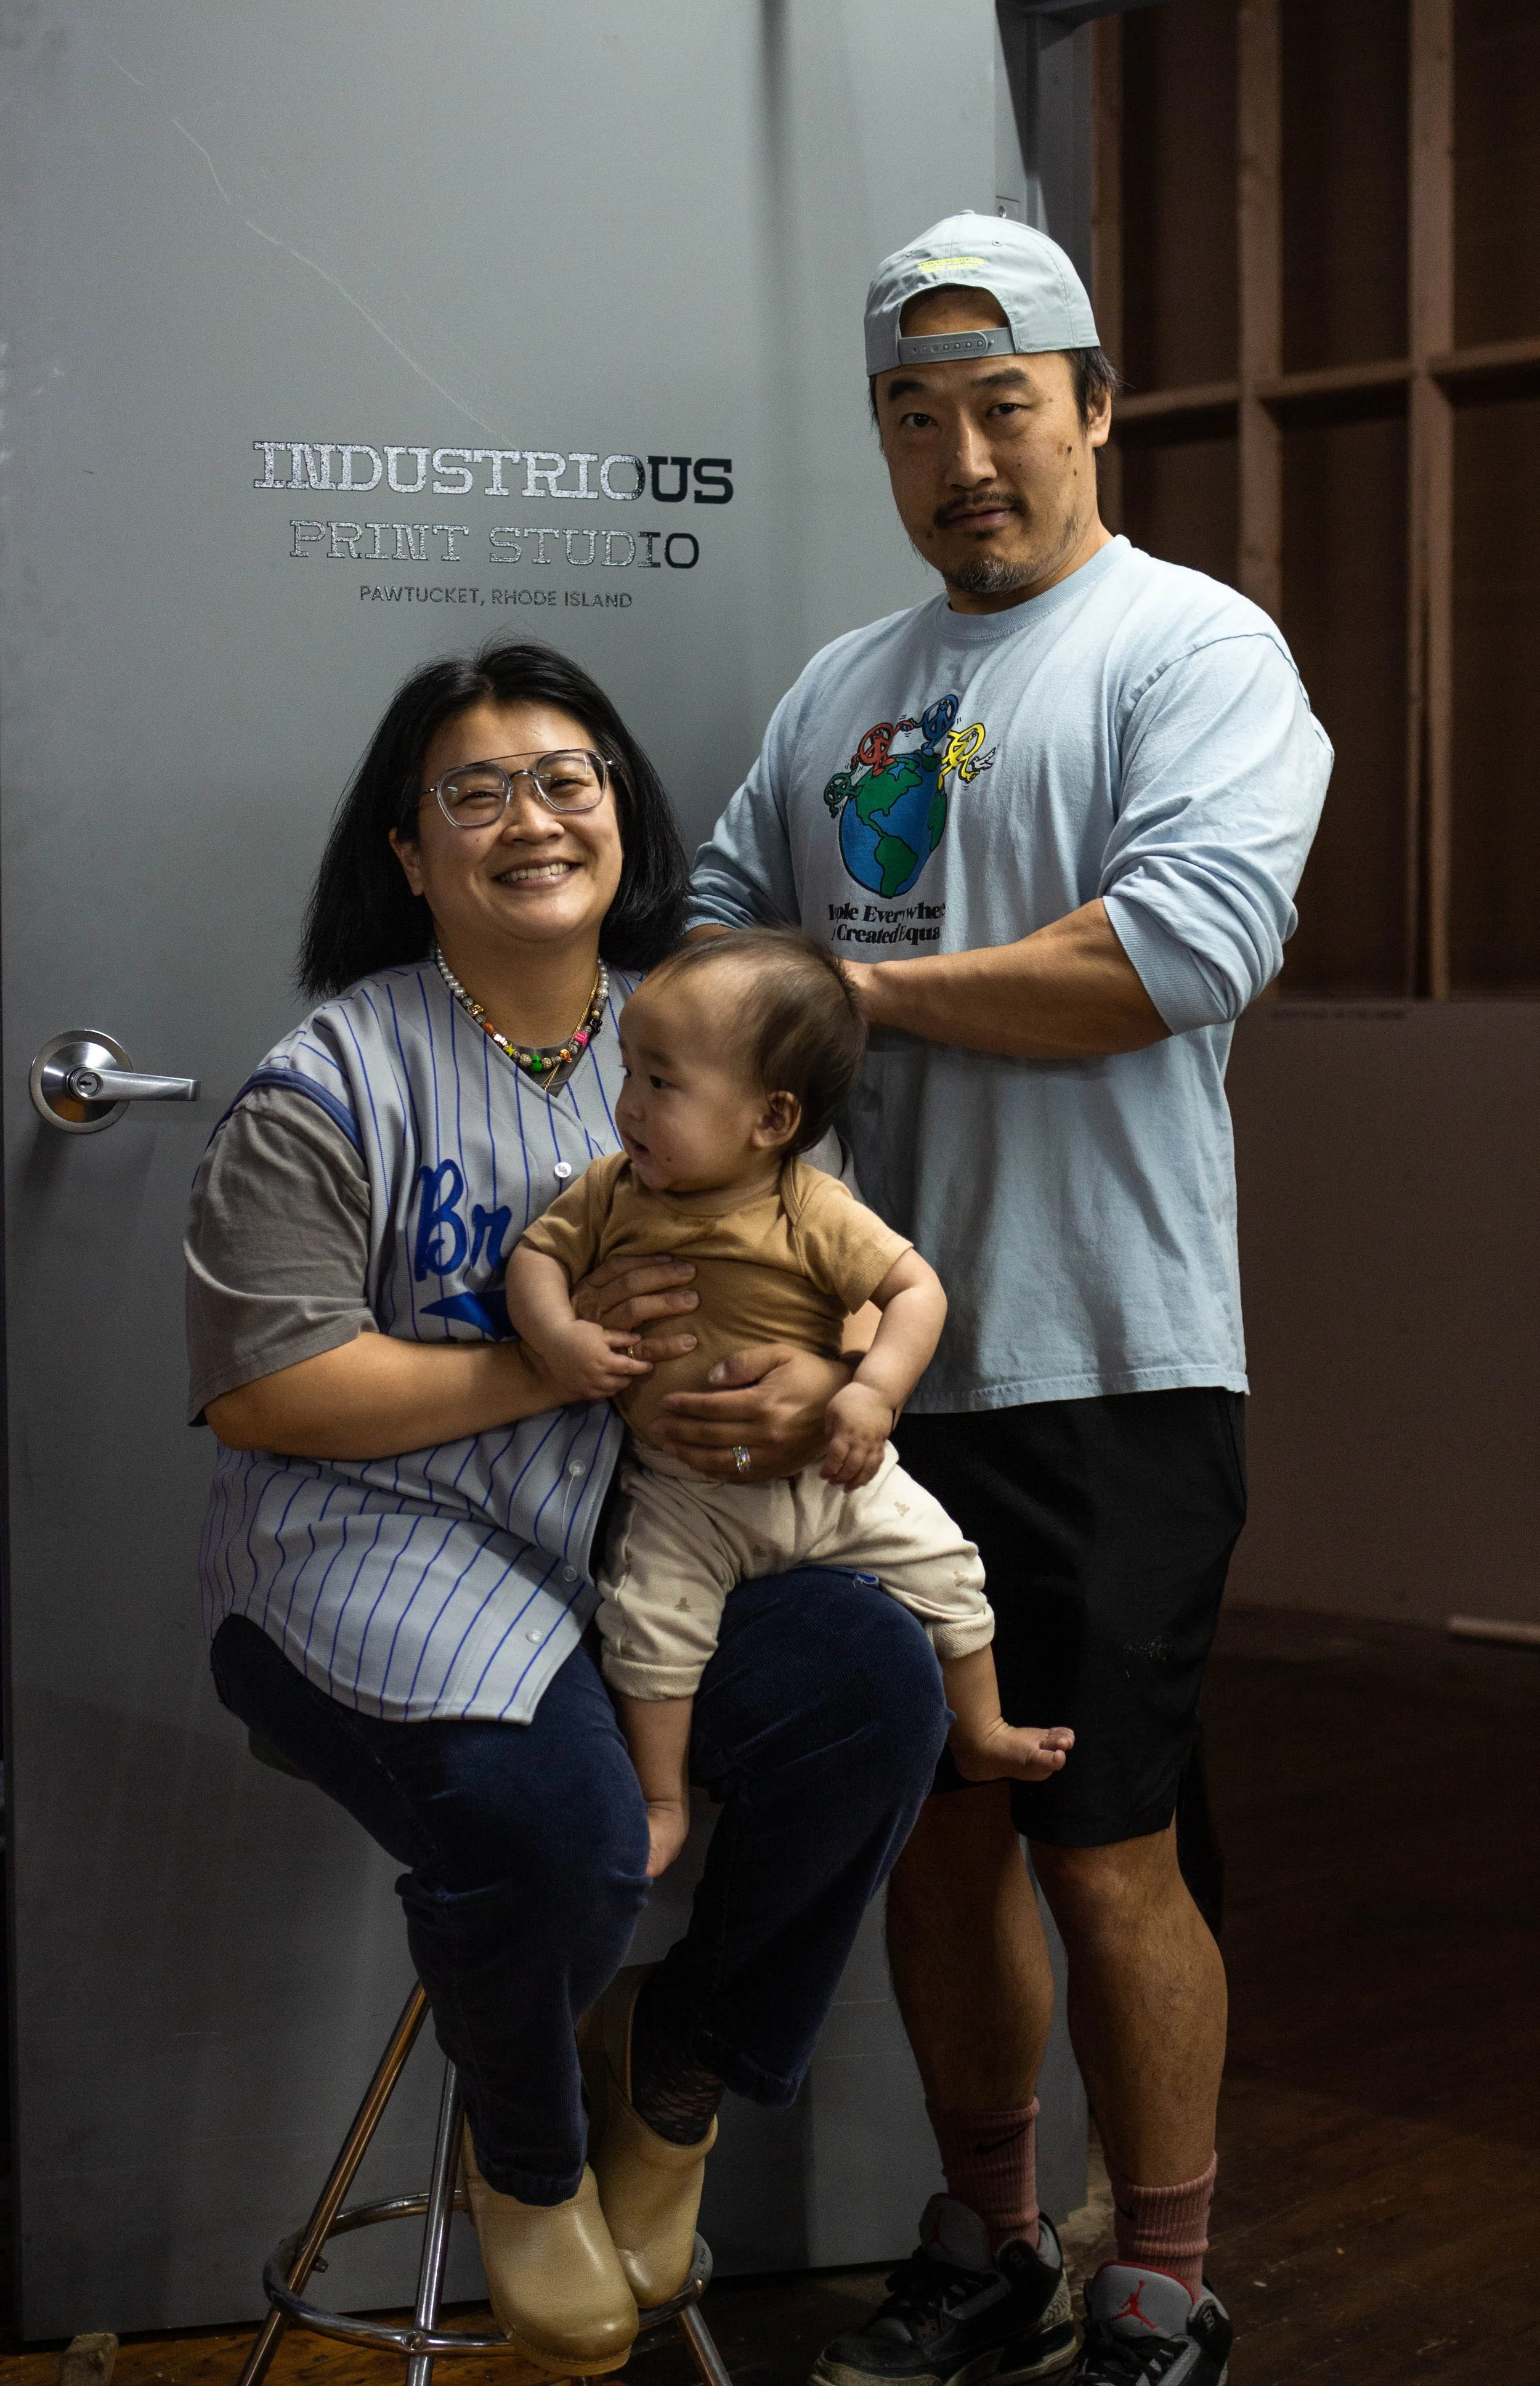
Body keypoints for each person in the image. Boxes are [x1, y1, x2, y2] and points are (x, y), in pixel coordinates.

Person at [686, 215, 1332, 2386]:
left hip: (1105, 1361)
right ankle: (988, 2243)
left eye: (1000, 405)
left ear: (1090, 404)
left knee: (1103, 1836)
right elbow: (702, 961)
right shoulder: (831, 691)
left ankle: (1164, 2272)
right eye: (914, 415)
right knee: (935, 1830)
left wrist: (834, 997)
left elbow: (1166, 961)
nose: (964, 455)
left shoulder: (1193, 650)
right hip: (868, 1380)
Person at [185, 640, 950, 2377]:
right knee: (559, 1825)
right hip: (355, 1557)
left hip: (643, 1551)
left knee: (872, 1692)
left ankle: (671, 2092)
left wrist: (817, 1392)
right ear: (405, 852)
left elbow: (829, 1288)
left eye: (569, 778)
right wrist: (556, 1369)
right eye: (475, 791)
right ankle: (524, 2167)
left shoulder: (700, 1026)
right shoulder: (331, 1077)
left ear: (620, 812)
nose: (532, 818)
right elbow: (265, 1390)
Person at [505, 927, 1074, 1878]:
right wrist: (558, 1338)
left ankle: (979, 1728)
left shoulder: (809, 1207)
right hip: (686, 1493)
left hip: (832, 1473)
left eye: (663, 1083)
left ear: (772, 1120)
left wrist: (874, 1395)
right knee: (651, 1626)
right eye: (632, 1073)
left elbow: (917, 1292)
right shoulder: (612, 1190)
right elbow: (536, 1258)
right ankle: (662, 1801)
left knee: (951, 1571)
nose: (630, 1105)